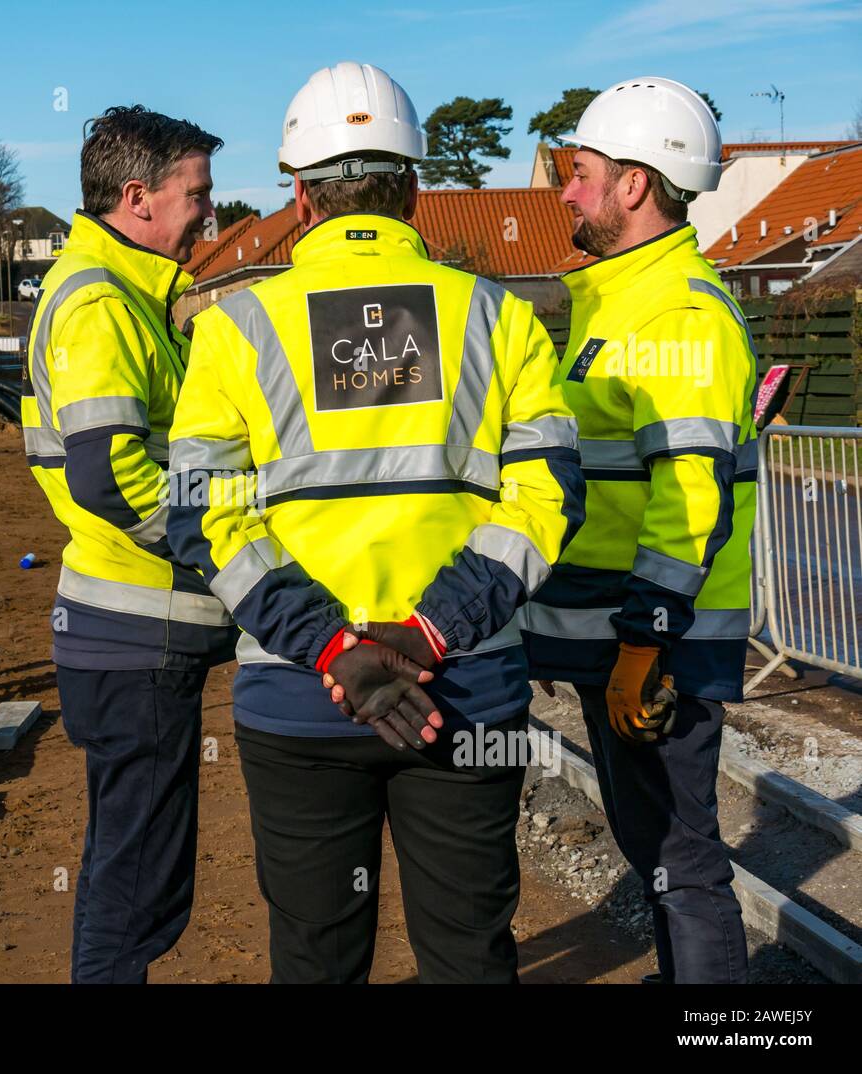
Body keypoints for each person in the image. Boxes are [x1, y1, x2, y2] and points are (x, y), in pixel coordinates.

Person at [167, 63, 584, 983]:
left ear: (299, 194)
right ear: (416, 189)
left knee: (315, 958)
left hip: (300, 698)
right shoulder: (501, 318)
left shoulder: (235, 329)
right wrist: (431, 632)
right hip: (467, 697)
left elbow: (202, 517)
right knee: (470, 953)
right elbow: (548, 499)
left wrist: (331, 651)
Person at [522, 76, 757, 983]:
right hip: (621, 634)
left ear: (633, 184)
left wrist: (646, 639)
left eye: (580, 172)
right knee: (655, 850)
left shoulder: (678, 313)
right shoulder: (619, 302)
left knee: (682, 860)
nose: (567, 192)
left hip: (657, 640)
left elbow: (690, 498)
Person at [20, 105, 236, 983]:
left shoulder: (127, 299)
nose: (210, 215)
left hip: (131, 629)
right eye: (199, 194)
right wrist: (223, 554)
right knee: (133, 880)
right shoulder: (101, 307)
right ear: (138, 196)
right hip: (135, 629)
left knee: (136, 863)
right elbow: (110, 478)